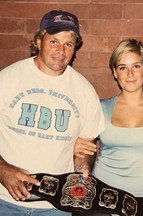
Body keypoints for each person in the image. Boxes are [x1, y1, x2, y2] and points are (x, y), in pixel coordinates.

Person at [0, 10, 104, 216]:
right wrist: (2, 169)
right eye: (54, 41)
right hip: (4, 200)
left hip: (55, 207)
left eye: (69, 44)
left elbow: (83, 149)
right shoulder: (8, 79)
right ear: (39, 41)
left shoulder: (85, 92)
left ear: (75, 49)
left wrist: (82, 170)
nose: (61, 50)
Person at [73, 38, 143, 216]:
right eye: (122, 67)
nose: (130, 74)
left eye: (136, 66)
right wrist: (75, 149)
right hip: (100, 195)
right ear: (115, 72)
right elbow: (83, 149)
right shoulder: (101, 107)